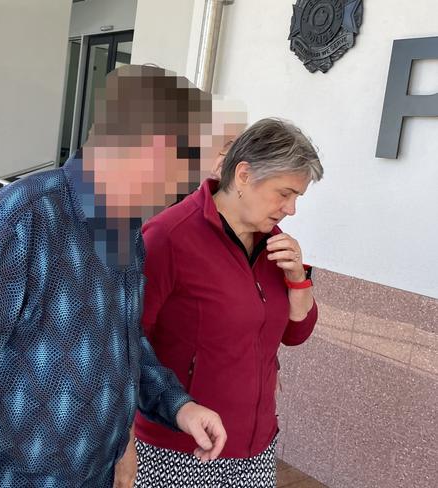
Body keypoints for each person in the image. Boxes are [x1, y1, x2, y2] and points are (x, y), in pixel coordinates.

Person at [0, 65, 228, 487]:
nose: (194, 177)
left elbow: (124, 342)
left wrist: (178, 405)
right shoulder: (20, 220)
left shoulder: (129, 232)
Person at [120, 118, 324, 487]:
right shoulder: (168, 237)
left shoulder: (274, 245)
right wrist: (123, 445)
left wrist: (298, 280)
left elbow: (294, 334)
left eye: (297, 197)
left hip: (255, 447)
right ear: (244, 175)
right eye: (284, 193)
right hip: (179, 449)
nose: (291, 209)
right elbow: (124, 344)